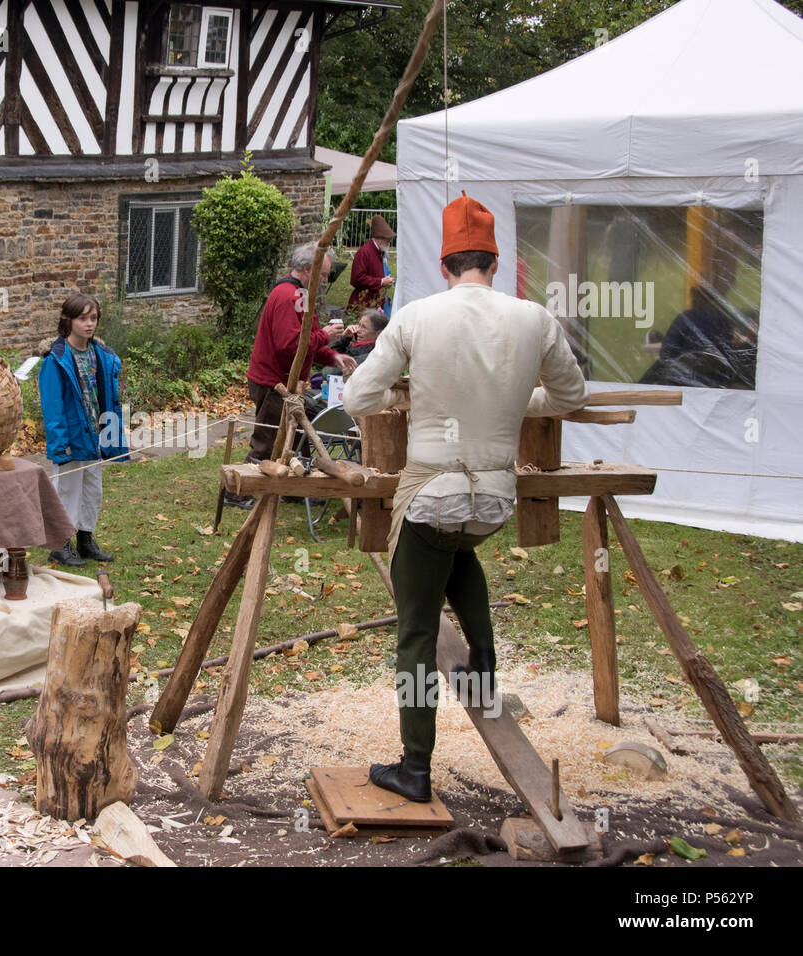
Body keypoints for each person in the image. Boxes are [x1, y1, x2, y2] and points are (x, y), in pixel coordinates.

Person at [342, 193, 588, 802]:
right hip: (493, 502)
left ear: (446, 264)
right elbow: (570, 395)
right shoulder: (533, 319)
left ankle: (415, 768)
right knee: (458, 550)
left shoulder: (418, 316)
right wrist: (517, 404)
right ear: (495, 264)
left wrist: (407, 399)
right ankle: (482, 658)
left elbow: (355, 400)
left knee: (417, 636)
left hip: (430, 494)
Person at [227, 242, 358, 510]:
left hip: (287, 381)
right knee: (267, 440)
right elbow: (289, 345)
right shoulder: (289, 296)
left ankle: (296, 489)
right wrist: (326, 336)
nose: (324, 281)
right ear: (307, 269)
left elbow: (307, 344)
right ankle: (236, 491)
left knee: (297, 436)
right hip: (274, 381)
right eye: (322, 275)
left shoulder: (301, 295)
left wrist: (333, 356)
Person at [38, 293, 127, 567]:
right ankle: (60, 544)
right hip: (70, 436)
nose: (89, 324)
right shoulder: (56, 360)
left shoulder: (101, 355)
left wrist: (111, 432)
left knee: (92, 488)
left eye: (93, 318)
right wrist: (59, 442)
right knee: (67, 489)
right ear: (68, 320)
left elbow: (109, 397)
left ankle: (85, 539)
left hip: (95, 433)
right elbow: (52, 407)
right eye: (82, 318)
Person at [347, 213, 396, 317]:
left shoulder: (380, 252)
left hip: (377, 303)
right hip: (364, 304)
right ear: (379, 239)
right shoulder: (364, 252)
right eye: (387, 240)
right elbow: (356, 279)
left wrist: (388, 279)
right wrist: (381, 282)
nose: (389, 243)